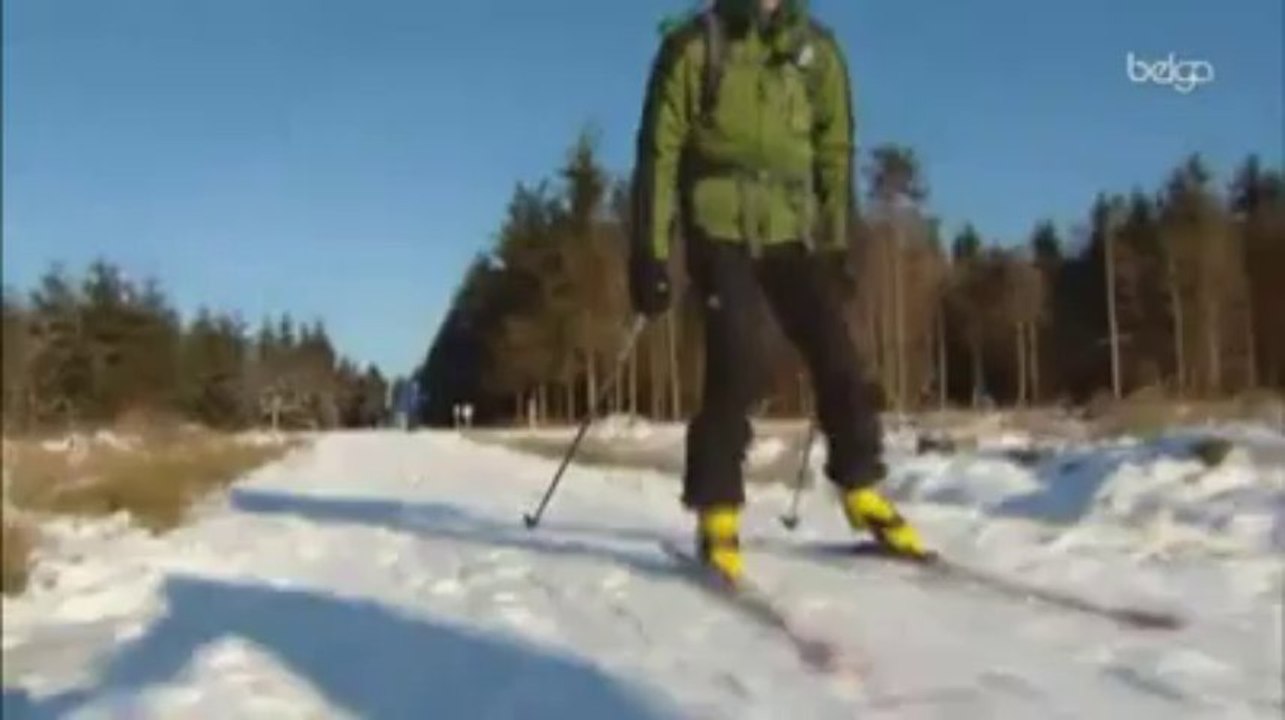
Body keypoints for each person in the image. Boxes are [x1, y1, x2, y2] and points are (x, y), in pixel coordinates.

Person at [628, 0, 926, 582]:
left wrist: (839, 243)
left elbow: (835, 153)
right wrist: (650, 254)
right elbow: (658, 154)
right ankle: (716, 506)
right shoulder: (695, 46)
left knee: (837, 352)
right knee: (739, 352)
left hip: (791, 230)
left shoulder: (816, 53)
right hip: (718, 224)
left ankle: (860, 485)